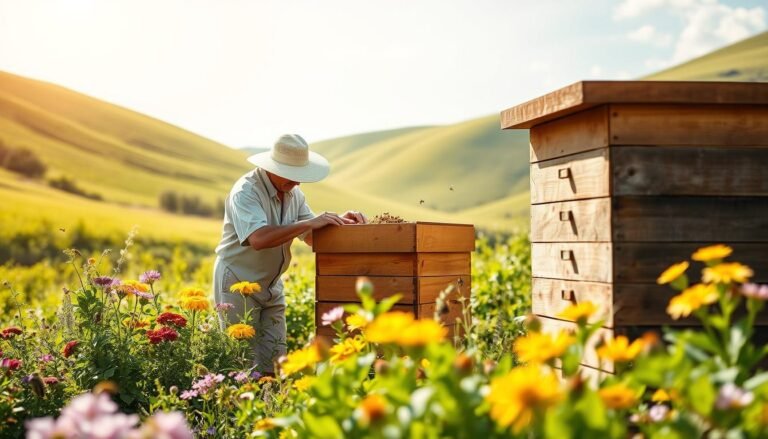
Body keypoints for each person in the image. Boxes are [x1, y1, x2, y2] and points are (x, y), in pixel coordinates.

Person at [212, 134, 366, 374]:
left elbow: (311, 235)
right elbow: (258, 239)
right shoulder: (246, 191)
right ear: (272, 167)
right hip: (237, 283)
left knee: (277, 361)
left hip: (272, 285)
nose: (298, 182)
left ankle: (272, 397)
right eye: (291, 174)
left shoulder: (294, 194)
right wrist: (310, 223)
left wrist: (340, 222)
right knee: (241, 361)